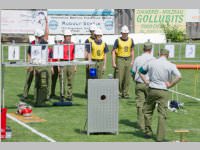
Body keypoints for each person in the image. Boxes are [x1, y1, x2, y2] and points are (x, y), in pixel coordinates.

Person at [139, 48, 182, 142]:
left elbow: (140, 71)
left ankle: (148, 132)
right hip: (164, 91)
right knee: (162, 114)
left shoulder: (151, 62)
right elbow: (179, 76)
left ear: (159, 54)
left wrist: (146, 81)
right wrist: (171, 84)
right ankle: (160, 137)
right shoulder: (171, 65)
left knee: (147, 111)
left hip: (152, 89)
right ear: (168, 55)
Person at [131, 41, 155, 132]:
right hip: (150, 84)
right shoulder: (153, 59)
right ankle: (148, 125)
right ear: (151, 50)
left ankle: (141, 125)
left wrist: (134, 79)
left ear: (143, 49)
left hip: (139, 83)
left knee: (140, 105)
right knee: (149, 106)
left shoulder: (138, 58)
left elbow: (133, 72)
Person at [22, 17, 48, 100]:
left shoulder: (44, 42)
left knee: (39, 81)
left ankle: (37, 96)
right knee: (28, 80)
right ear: (36, 36)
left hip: (40, 64)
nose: (40, 38)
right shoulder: (32, 43)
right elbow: (29, 54)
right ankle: (25, 95)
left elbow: (47, 34)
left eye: (41, 37)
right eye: (39, 37)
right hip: (32, 63)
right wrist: (29, 65)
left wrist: (47, 23)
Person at [112, 25, 134, 98]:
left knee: (127, 77)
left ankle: (125, 93)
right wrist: (113, 62)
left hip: (128, 59)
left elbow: (132, 51)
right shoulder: (117, 40)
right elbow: (113, 51)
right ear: (121, 33)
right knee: (119, 77)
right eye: (124, 33)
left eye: (126, 33)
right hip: (120, 59)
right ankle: (118, 93)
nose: (125, 34)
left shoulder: (131, 40)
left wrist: (132, 60)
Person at [61, 29, 76, 101]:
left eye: (69, 36)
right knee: (62, 80)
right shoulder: (61, 44)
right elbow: (58, 56)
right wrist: (58, 66)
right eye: (67, 36)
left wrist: (75, 66)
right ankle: (62, 95)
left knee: (70, 80)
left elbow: (75, 55)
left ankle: (69, 95)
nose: (68, 37)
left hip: (71, 63)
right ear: (64, 37)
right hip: (63, 63)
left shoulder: (73, 44)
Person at [49, 35, 63, 99]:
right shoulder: (52, 48)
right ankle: (52, 93)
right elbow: (51, 58)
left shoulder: (61, 47)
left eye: (60, 41)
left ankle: (61, 94)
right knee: (53, 80)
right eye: (58, 41)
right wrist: (52, 67)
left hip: (60, 65)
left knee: (61, 80)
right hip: (54, 65)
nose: (59, 42)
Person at [84, 24, 97, 95]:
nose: (93, 33)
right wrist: (87, 62)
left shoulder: (98, 39)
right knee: (89, 77)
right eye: (92, 31)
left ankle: (95, 91)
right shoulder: (88, 40)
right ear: (90, 32)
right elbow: (86, 51)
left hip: (96, 60)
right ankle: (88, 92)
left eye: (94, 31)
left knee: (95, 76)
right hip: (90, 61)